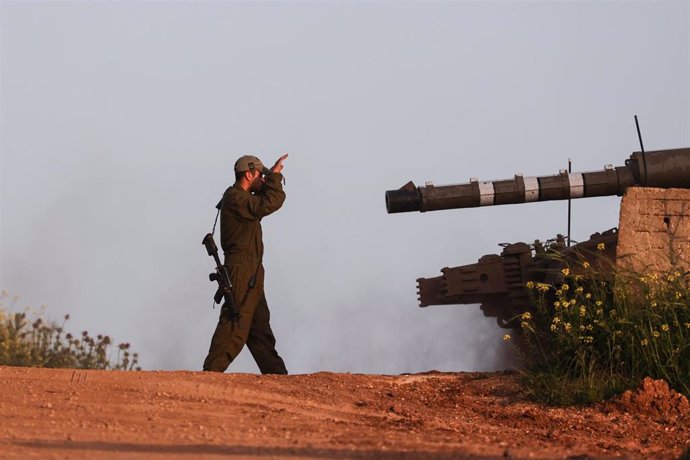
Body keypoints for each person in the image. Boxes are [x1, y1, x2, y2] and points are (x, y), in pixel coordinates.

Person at [203, 153, 289, 374]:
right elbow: (269, 203)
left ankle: (280, 381)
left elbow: (263, 203)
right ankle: (209, 377)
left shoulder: (241, 198)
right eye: (260, 175)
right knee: (235, 326)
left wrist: (269, 176)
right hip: (242, 269)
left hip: (251, 270)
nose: (263, 179)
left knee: (260, 332)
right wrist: (275, 178)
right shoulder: (236, 198)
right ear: (249, 174)